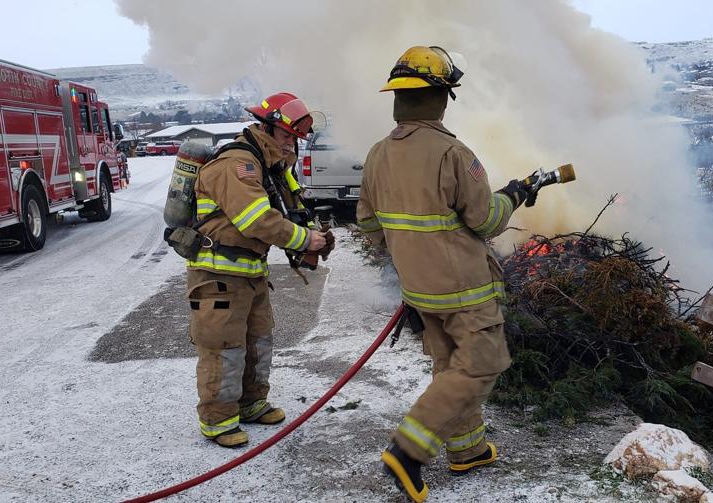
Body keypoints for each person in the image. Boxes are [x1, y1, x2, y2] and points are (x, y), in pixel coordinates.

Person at [356, 46, 533, 502]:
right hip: (464, 289)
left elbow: (369, 223)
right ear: (441, 97)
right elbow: (487, 221)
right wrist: (513, 194)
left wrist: (408, 254)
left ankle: (468, 450)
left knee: (449, 365)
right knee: (481, 363)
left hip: (419, 289)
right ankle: (408, 451)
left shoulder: (377, 154)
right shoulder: (453, 152)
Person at [188, 91, 331, 447]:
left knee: (258, 342)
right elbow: (257, 220)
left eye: (295, 140)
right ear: (267, 128)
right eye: (286, 137)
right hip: (217, 275)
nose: (290, 146)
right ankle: (218, 420)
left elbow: (289, 209)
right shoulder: (237, 164)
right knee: (224, 347)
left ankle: (251, 403)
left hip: (251, 273)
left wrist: (313, 233)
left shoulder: (269, 165)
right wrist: (303, 240)